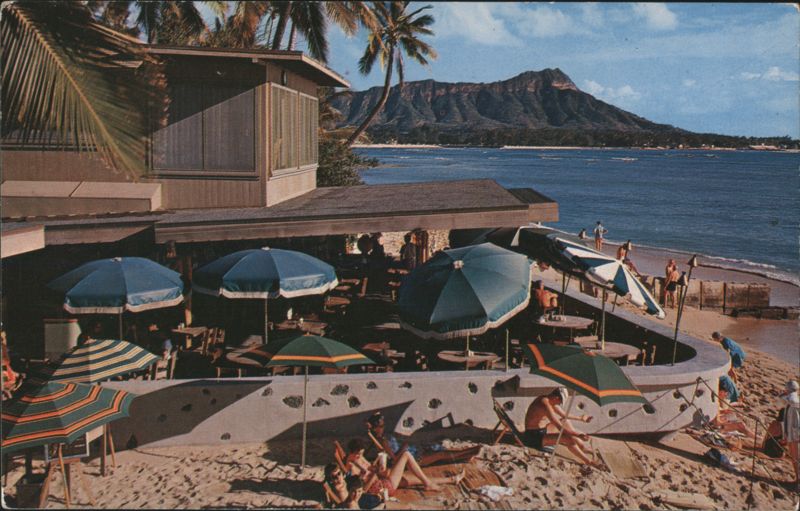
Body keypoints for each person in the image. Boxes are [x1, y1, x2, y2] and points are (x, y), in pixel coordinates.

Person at [343, 438, 461, 498]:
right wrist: (375, 473)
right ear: (352, 452)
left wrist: (377, 466)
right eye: (358, 454)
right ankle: (429, 484)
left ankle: (452, 479)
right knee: (406, 455)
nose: (361, 456)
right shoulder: (352, 467)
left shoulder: (359, 458)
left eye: (362, 454)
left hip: (383, 478)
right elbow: (363, 490)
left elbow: (371, 469)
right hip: (383, 487)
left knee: (417, 478)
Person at [365, 412, 480, 467]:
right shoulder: (383, 440)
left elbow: (374, 447)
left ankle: (465, 455)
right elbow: (394, 460)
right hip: (411, 459)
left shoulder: (383, 437)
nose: (383, 428)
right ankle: (467, 453)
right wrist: (404, 447)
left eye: (383, 425)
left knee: (436, 450)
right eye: (380, 426)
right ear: (375, 428)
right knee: (440, 454)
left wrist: (404, 442)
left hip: (413, 451)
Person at [524, 387, 599, 467]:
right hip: (534, 438)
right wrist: (578, 435)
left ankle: (582, 447)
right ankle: (588, 461)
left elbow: (564, 415)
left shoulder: (547, 399)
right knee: (568, 439)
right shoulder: (545, 405)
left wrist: (581, 418)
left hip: (541, 431)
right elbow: (560, 428)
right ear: (556, 398)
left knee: (565, 421)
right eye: (560, 402)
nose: (559, 404)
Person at [781, 380, 800, 483]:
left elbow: (792, 401)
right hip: (791, 431)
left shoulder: (793, 398)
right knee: (794, 457)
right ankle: (797, 477)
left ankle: (798, 478)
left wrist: (786, 394)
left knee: (796, 456)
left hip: (795, 432)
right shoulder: (792, 397)